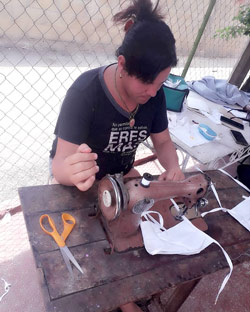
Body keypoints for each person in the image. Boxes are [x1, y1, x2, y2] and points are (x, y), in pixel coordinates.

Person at [50, 0, 184, 311]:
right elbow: (60, 166)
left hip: (122, 178)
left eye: (160, 83)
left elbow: (162, 143)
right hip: (83, 183)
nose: (153, 93)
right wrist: (75, 173)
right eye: (147, 83)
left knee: (144, 230)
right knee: (90, 250)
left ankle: (126, 293)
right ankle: (124, 299)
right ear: (122, 65)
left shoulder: (155, 95)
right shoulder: (86, 93)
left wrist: (174, 167)